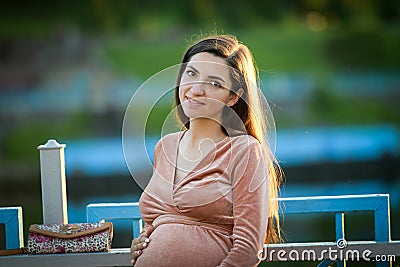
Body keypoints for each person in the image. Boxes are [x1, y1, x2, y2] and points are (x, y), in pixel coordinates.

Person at [130, 34, 282, 266]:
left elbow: (248, 249)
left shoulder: (245, 151)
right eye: (191, 74)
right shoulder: (165, 147)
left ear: (232, 97)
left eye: (214, 83)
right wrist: (142, 243)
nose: (196, 89)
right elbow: (160, 220)